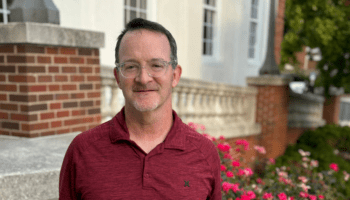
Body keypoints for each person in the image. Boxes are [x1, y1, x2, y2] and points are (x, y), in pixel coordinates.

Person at [59, 18, 222, 200]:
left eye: (156, 65)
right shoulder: (82, 151)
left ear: (175, 76)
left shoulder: (204, 153)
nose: (143, 78)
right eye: (130, 67)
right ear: (117, 77)